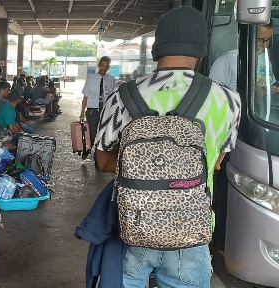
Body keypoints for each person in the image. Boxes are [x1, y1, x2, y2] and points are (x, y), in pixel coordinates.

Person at [95, 7, 241, 287]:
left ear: (156, 48)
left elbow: (102, 162)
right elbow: (217, 162)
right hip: (191, 230)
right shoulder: (229, 99)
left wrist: (143, 168)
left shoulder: (122, 95)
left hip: (133, 224)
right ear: (201, 49)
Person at [80, 56, 117, 145]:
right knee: (91, 135)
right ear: (99, 65)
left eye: (106, 66)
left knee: (103, 135)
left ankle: (98, 154)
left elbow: (114, 98)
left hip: (105, 112)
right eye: (102, 65)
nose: (104, 68)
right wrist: (82, 112)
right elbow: (85, 97)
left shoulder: (111, 80)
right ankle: (87, 149)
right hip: (93, 111)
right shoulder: (91, 78)